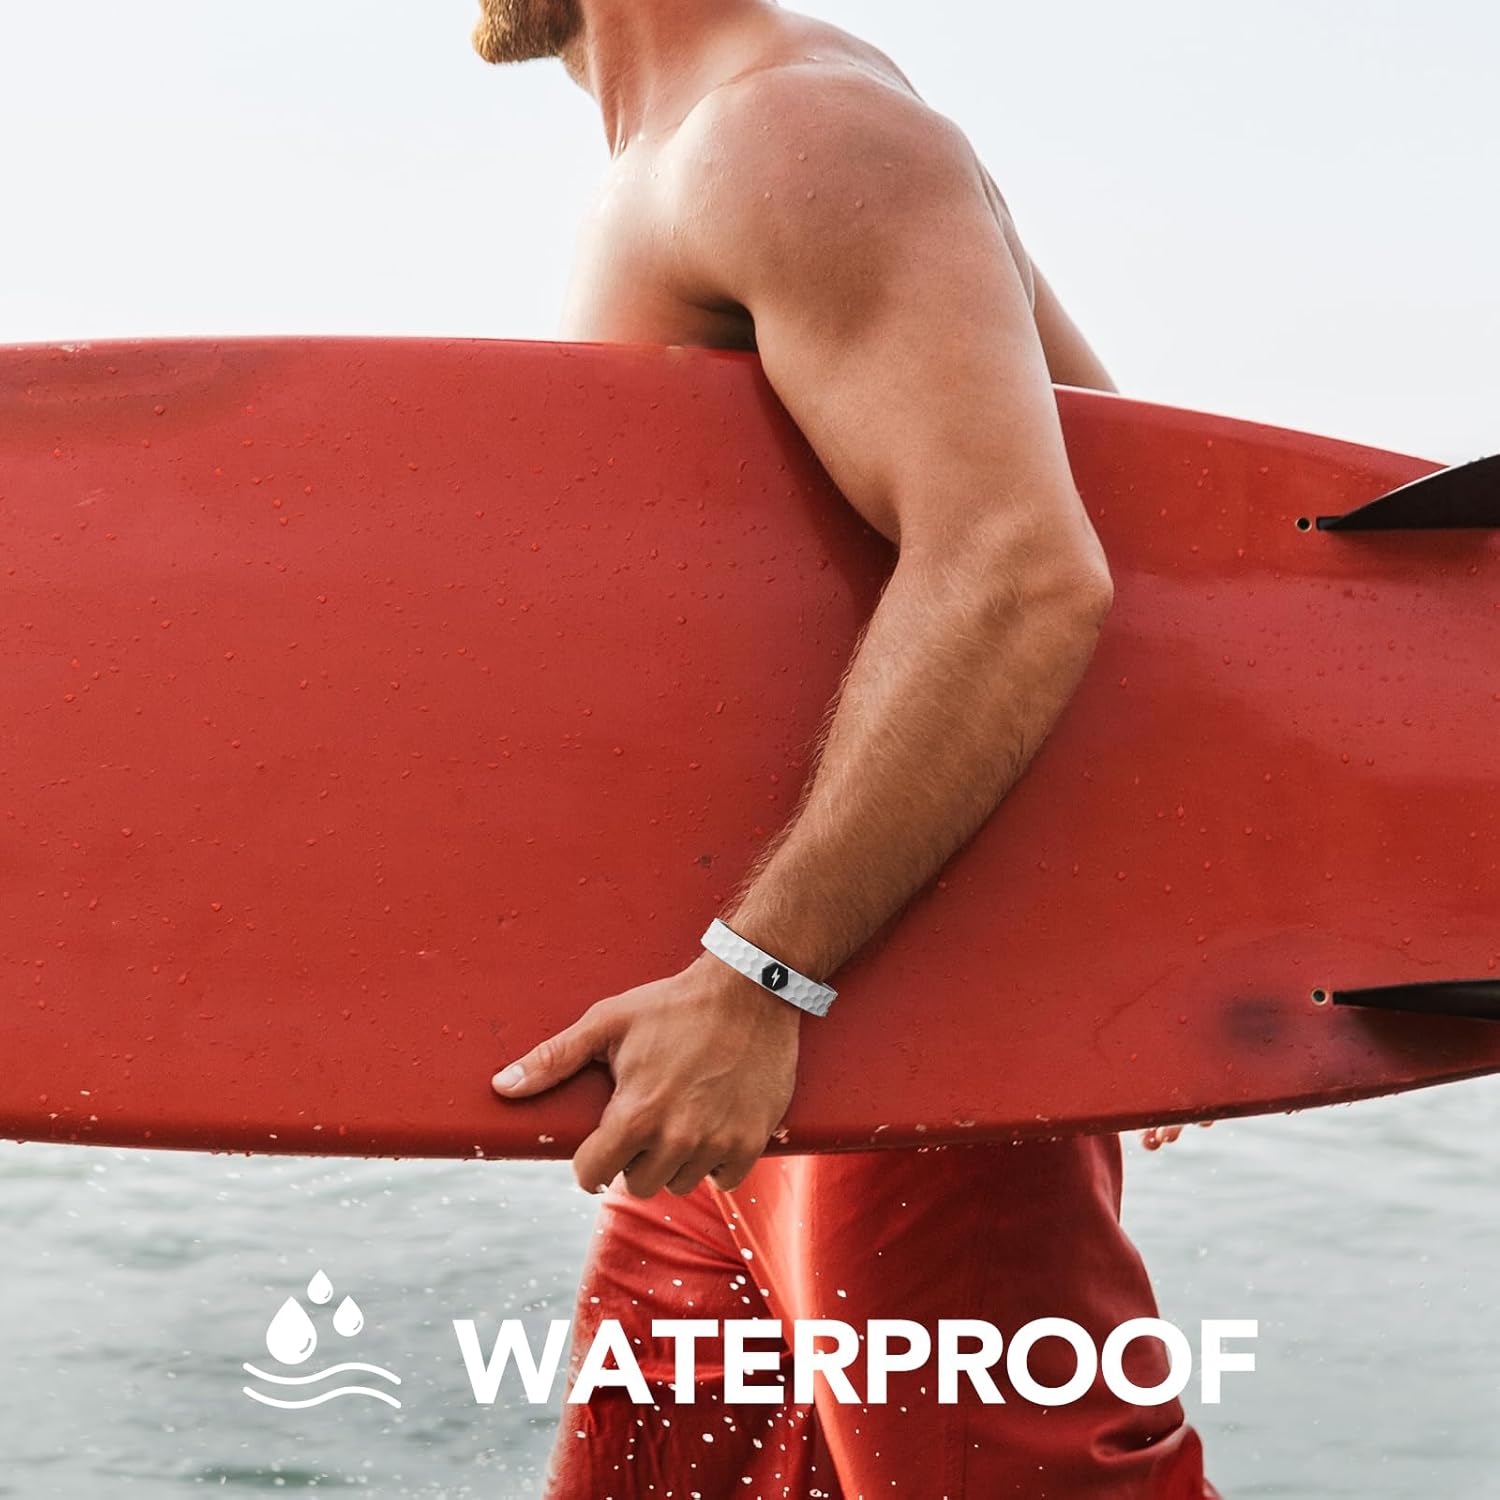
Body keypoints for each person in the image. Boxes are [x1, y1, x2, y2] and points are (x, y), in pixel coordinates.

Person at [472, 2, 1218, 1494]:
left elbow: (1021, 568)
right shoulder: (714, 142)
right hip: (739, 1045)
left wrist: (765, 973)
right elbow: (1148, 518)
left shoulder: (791, 133)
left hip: (870, 1019)